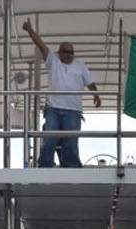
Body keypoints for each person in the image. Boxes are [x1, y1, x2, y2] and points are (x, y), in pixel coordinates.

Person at [22, 18, 102, 168]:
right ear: (59, 52)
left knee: (70, 141)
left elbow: (90, 83)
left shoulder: (80, 65)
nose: (69, 54)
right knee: (49, 137)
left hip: (73, 110)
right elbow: (41, 45)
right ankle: (45, 165)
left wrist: (96, 96)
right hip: (53, 108)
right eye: (66, 51)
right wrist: (30, 31)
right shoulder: (53, 61)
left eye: (71, 52)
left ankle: (70, 167)